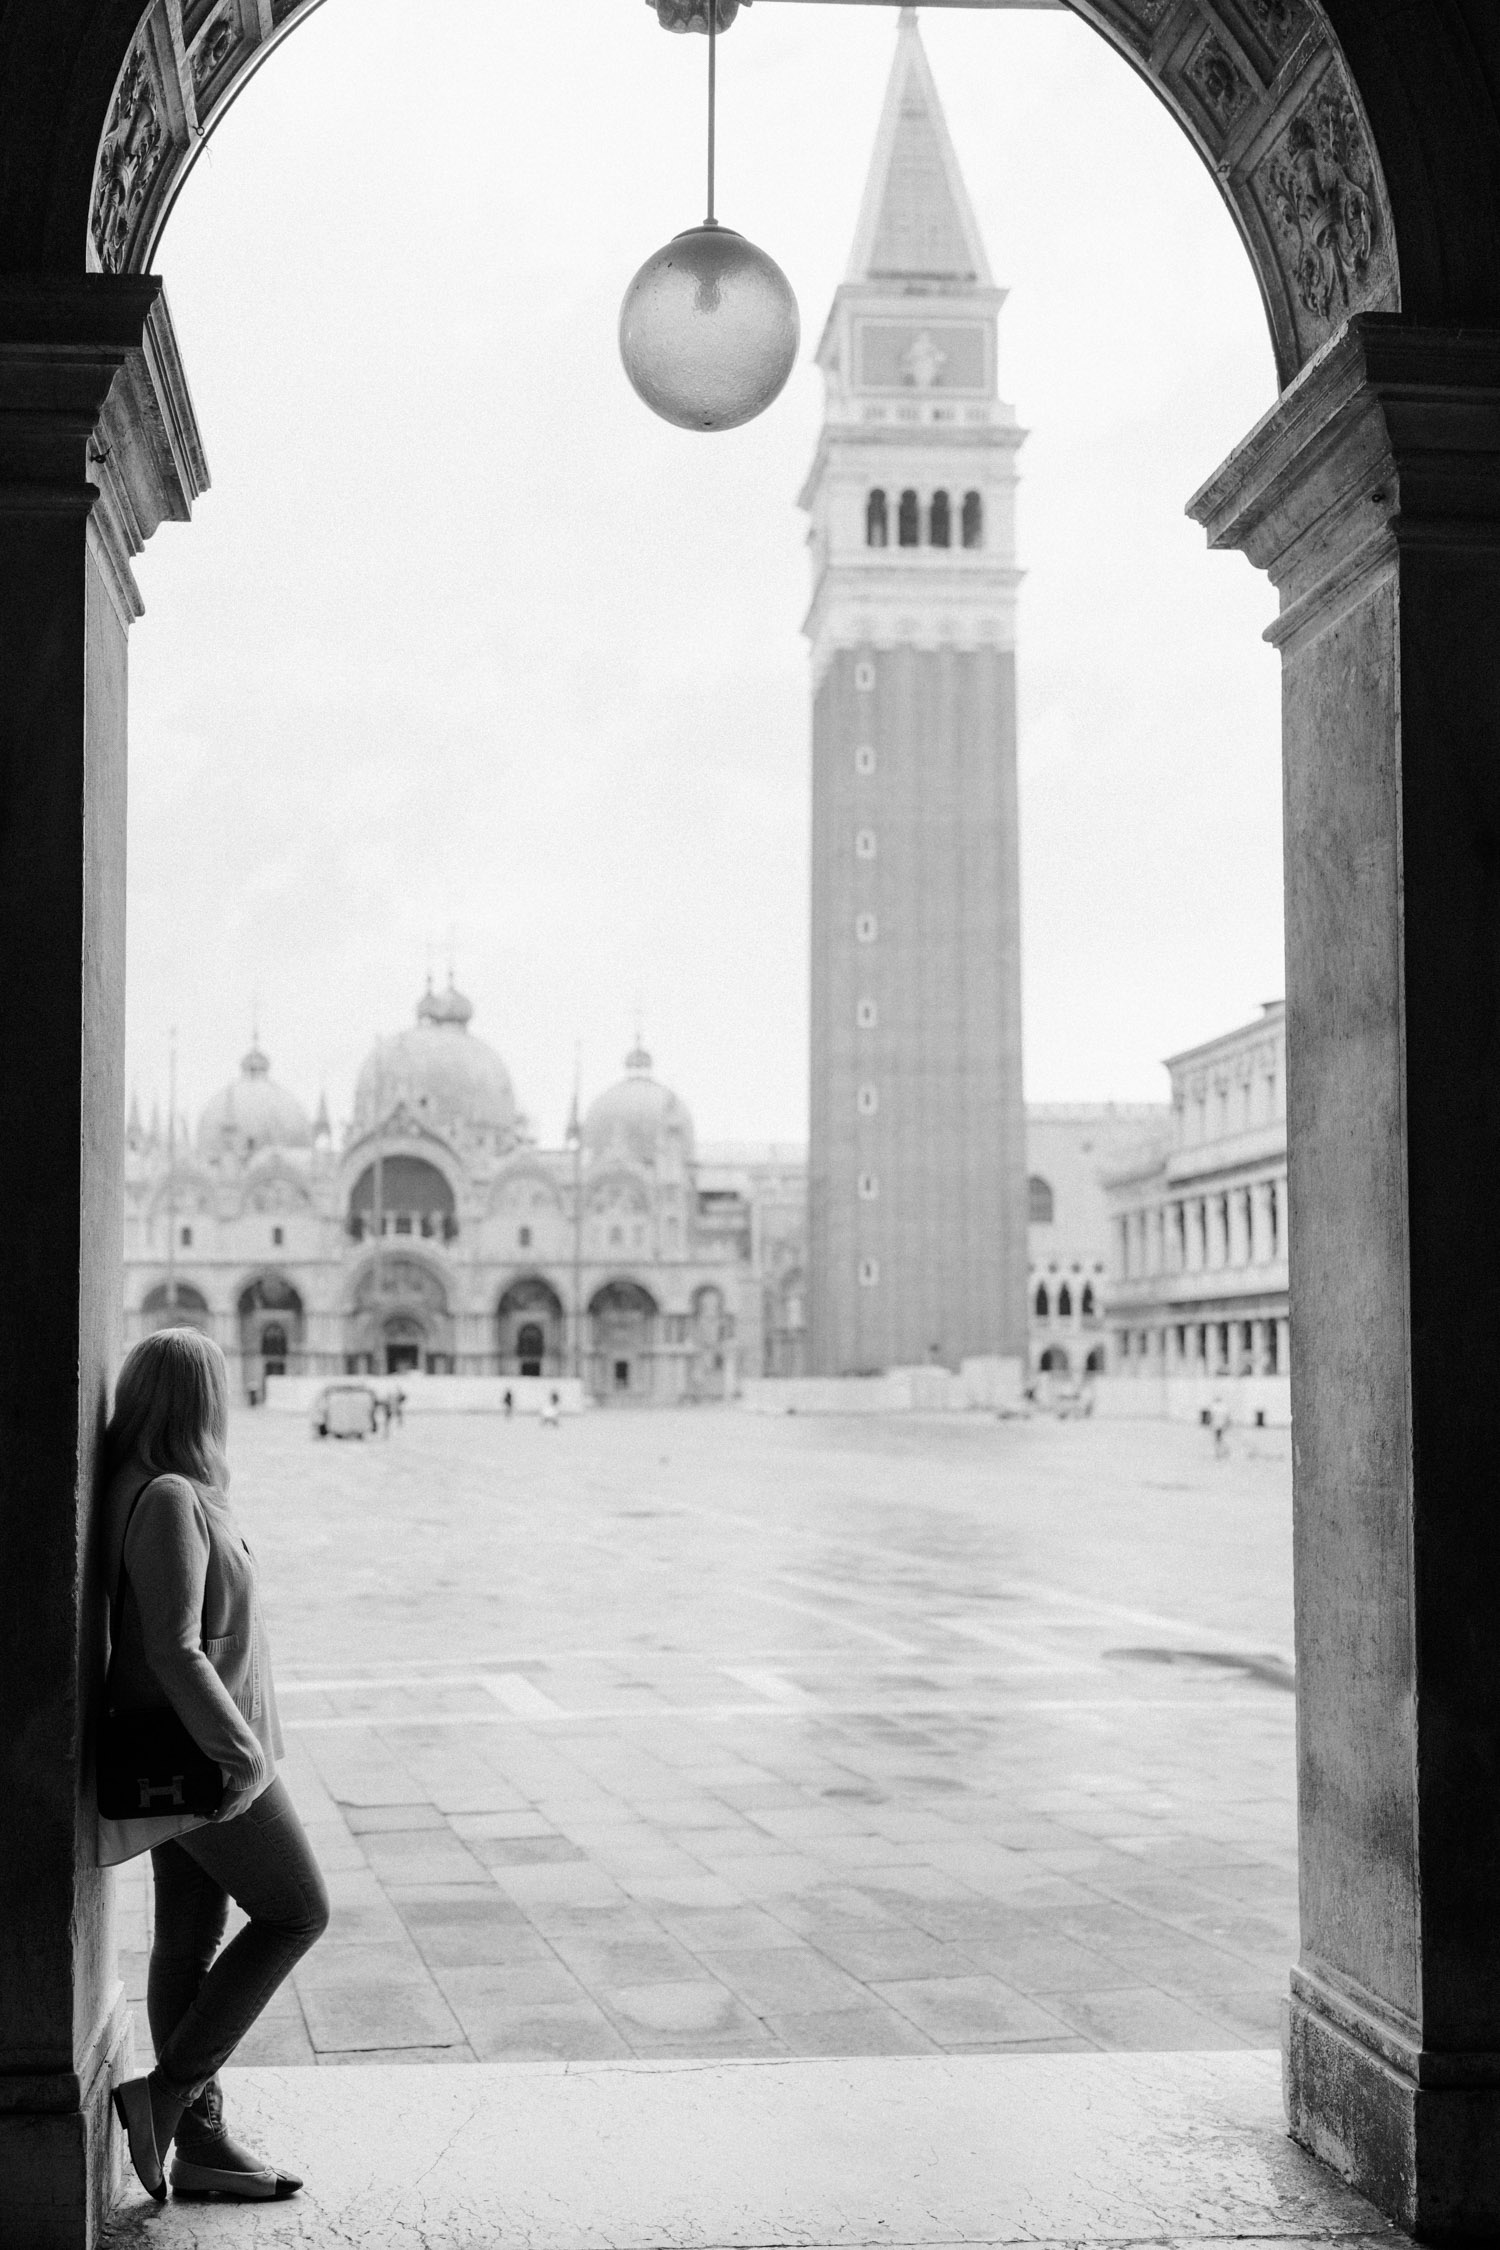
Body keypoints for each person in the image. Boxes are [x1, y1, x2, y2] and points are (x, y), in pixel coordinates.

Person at [101, 1329, 329, 2205]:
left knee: (188, 1941)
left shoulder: (163, 1487)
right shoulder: (168, 1498)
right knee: (298, 1911)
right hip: (205, 1760)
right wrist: (239, 1755)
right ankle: (163, 2096)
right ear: (202, 1400)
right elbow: (175, 1648)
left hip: (185, 1755)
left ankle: (198, 2146)